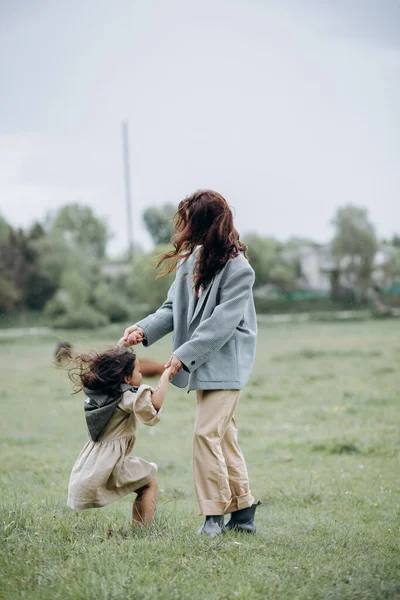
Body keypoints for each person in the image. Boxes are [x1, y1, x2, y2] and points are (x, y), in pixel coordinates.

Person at [121, 189, 260, 536]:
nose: (183, 228)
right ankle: (243, 513)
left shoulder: (239, 270)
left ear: (206, 224)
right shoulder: (190, 261)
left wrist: (181, 356)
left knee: (204, 434)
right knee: (223, 438)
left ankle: (213, 516)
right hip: (203, 366)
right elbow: (172, 309)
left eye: (189, 221)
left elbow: (220, 325)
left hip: (227, 366)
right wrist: (142, 328)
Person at [66, 345, 170, 526]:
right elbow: (154, 403)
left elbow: (114, 360)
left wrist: (123, 344)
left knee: (145, 482)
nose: (141, 375)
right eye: (138, 372)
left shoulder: (102, 392)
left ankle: (141, 530)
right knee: (149, 482)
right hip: (111, 462)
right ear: (127, 378)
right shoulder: (125, 396)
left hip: (94, 460)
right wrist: (166, 375)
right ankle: (142, 530)